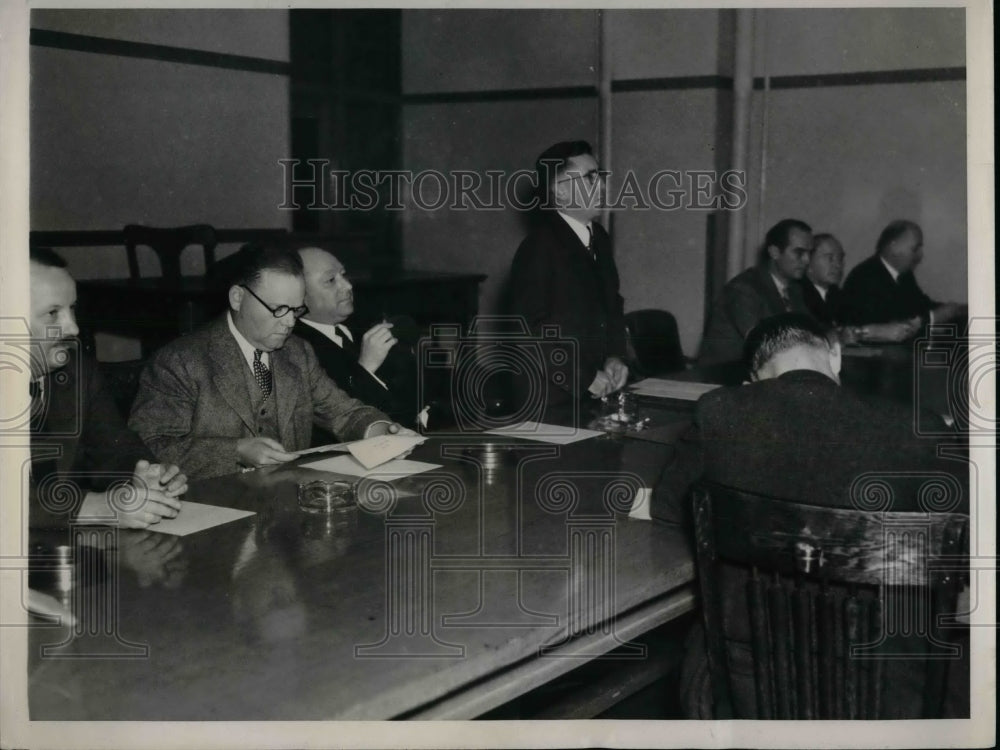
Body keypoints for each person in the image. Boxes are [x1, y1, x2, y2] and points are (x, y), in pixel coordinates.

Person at [652, 312, 968, 718]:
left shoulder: (719, 412)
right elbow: (971, 540)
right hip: (890, 689)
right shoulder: (915, 429)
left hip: (753, 679)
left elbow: (667, 508)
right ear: (835, 355)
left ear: (752, 383)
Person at [129, 243, 413, 480]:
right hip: (209, 509)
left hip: (285, 513)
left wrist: (381, 432)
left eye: (297, 309)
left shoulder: (297, 353)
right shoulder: (181, 361)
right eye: (278, 309)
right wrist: (236, 451)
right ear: (238, 298)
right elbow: (149, 446)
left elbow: (344, 412)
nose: (290, 322)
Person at [27, 247, 187, 529]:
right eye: (52, 313)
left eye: (72, 309)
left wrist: (145, 476)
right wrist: (91, 507)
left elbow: (115, 449)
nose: (73, 328)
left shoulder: (77, 371)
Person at [506, 140, 628, 413]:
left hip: (593, 392)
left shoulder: (600, 239)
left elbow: (613, 304)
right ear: (560, 192)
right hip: (550, 397)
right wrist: (583, 378)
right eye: (589, 178)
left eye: (600, 175)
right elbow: (526, 330)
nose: (602, 186)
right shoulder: (539, 247)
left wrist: (615, 356)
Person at [293, 246, 420, 431]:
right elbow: (336, 418)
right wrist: (366, 367)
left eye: (344, 275)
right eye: (331, 280)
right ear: (300, 296)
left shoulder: (363, 321)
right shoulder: (296, 348)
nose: (348, 285)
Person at [698, 219, 813, 366]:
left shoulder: (794, 290)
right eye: (799, 252)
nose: (807, 260)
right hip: (723, 378)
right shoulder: (743, 289)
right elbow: (765, 344)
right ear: (774, 252)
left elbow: (808, 333)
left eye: (810, 253)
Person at [839, 220, 967, 342]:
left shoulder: (904, 275)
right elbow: (891, 324)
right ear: (893, 247)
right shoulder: (865, 277)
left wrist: (954, 309)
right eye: (915, 249)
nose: (920, 255)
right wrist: (934, 317)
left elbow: (920, 304)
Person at [799, 233, 845, 327]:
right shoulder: (797, 295)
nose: (838, 265)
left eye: (840, 259)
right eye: (830, 258)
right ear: (808, 261)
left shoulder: (837, 295)